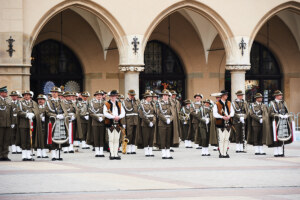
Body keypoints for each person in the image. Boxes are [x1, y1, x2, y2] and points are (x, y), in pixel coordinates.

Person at [268, 90, 294, 157]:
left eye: (281, 95)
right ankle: (276, 152)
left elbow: (286, 111)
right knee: (276, 137)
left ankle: (280, 151)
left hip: (283, 122)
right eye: (280, 95)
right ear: (276, 96)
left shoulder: (283, 102)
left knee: (282, 136)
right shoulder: (272, 103)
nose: (281, 96)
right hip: (275, 122)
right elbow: (270, 113)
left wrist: (285, 115)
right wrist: (277, 115)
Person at [45, 86, 68, 161]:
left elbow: (65, 112)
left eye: (56, 92)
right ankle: (53, 155)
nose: (54, 94)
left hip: (60, 122)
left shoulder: (62, 101)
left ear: (58, 93)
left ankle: (59, 155)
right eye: (53, 92)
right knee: (53, 138)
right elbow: (47, 112)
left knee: (60, 137)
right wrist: (55, 115)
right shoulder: (48, 102)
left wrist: (63, 115)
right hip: (53, 121)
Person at [18, 90, 42, 161]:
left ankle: (29, 155)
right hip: (23, 124)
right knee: (23, 140)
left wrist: (33, 115)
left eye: (27, 95)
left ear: (30, 96)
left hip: (31, 124)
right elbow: (19, 112)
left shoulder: (34, 103)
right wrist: (26, 114)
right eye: (25, 95)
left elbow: (37, 112)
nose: (26, 96)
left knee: (29, 140)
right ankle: (24, 155)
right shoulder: (20, 103)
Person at [157, 89, 179, 159]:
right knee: (163, 138)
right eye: (164, 95)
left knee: (168, 138)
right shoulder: (158, 103)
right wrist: (165, 119)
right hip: (162, 123)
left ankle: (168, 153)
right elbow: (159, 113)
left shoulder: (171, 103)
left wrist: (170, 119)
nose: (165, 97)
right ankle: (163, 153)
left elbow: (173, 113)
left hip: (169, 122)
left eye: (166, 95)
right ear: (162, 96)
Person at [103, 90, 125, 160]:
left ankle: (116, 153)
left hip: (118, 123)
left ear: (116, 96)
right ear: (110, 97)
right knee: (111, 139)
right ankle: (112, 154)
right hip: (110, 123)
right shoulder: (106, 104)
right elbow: (105, 113)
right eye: (112, 96)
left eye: (114, 96)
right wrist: (113, 117)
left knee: (117, 139)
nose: (113, 97)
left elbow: (123, 113)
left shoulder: (119, 104)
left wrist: (119, 117)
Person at [213, 90, 234, 158]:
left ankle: (225, 153)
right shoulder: (217, 104)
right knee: (221, 139)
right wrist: (222, 117)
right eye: (226, 95)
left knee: (226, 139)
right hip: (220, 123)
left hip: (228, 123)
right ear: (222, 96)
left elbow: (232, 112)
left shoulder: (229, 103)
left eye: (227, 95)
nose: (227, 96)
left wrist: (229, 116)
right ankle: (221, 153)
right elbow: (215, 114)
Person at [88, 90, 106, 157]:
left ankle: (101, 151)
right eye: (98, 95)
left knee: (101, 136)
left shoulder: (105, 103)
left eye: (100, 95)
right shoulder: (92, 103)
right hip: (95, 121)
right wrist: (98, 118)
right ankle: (96, 151)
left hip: (103, 121)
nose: (99, 96)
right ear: (95, 96)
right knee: (95, 136)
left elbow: (107, 112)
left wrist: (103, 117)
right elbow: (90, 112)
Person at [139, 91, 156, 157]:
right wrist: (149, 122)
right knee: (146, 137)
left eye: (150, 97)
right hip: (145, 123)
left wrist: (153, 121)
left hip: (152, 122)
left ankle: (150, 151)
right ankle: (146, 151)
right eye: (149, 97)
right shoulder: (142, 105)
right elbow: (142, 115)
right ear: (145, 98)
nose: (150, 98)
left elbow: (155, 114)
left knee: (151, 137)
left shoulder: (152, 104)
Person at [122, 89, 140, 154]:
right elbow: (123, 113)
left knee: (135, 134)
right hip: (128, 120)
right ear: (128, 95)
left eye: (133, 95)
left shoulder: (137, 101)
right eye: (131, 95)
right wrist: (123, 123)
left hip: (135, 119)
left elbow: (139, 111)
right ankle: (129, 148)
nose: (132, 96)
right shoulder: (125, 102)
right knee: (129, 134)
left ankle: (133, 148)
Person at [0, 86, 12, 161]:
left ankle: (5, 155)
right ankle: (0, 155)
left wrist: (12, 122)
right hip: (0, 124)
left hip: (8, 124)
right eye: (5, 92)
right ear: (1, 93)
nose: (6, 93)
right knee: (0, 140)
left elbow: (11, 112)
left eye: (6, 92)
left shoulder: (8, 100)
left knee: (6, 140)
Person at [36, 94, 48, 158]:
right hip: (38, 125)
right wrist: (40, 118)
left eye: (42, 99)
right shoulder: (35, 107)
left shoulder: (46, 107)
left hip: (45, 125)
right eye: (39, 99)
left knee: (44, 138)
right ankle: (38, 152)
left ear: (44, 100)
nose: (40, 101)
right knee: (38, 138)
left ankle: (44, 151)